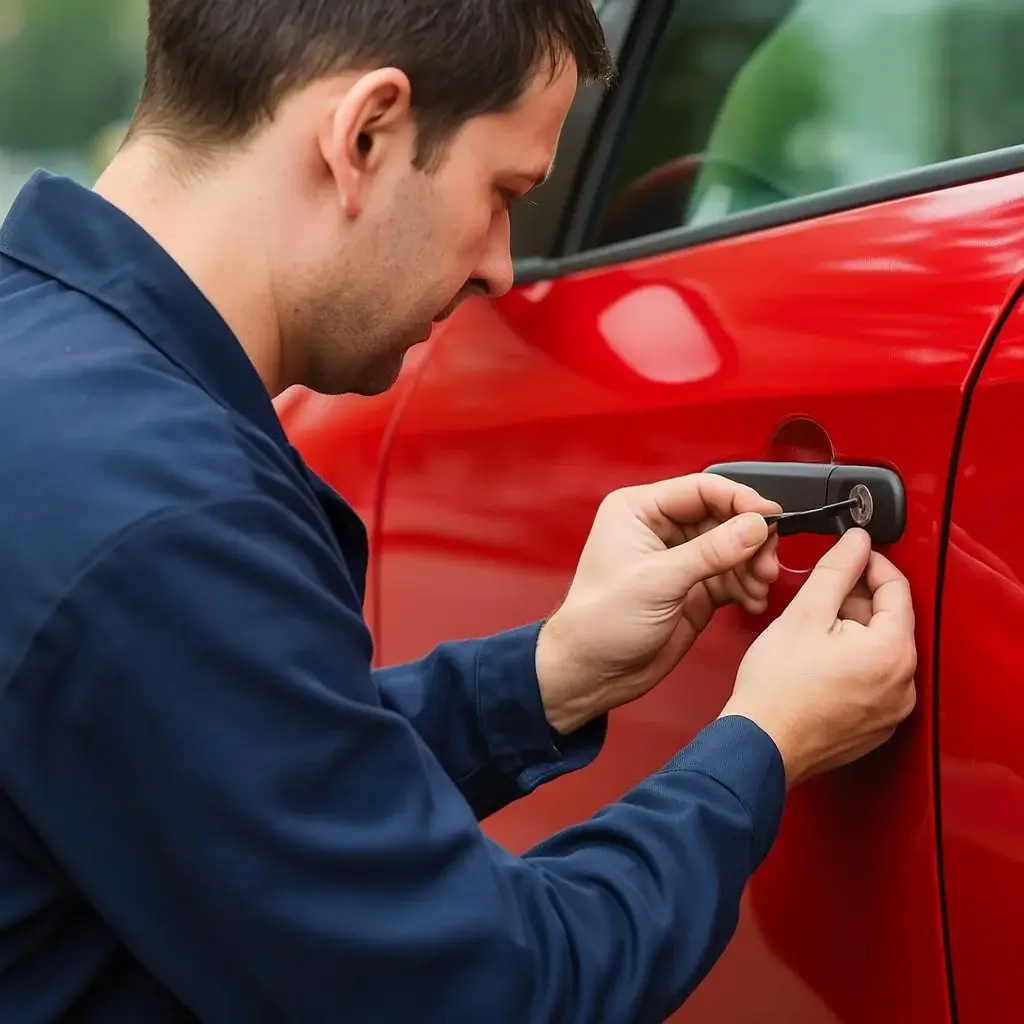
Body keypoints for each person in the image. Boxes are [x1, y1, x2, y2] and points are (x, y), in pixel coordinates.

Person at [0, 1, 916, 1021]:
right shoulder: (160, 518)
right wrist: (764, 743)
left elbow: (232, 785)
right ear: (365, 135)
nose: (499, 266)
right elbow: (495, 993)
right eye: (502, 193)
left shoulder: (49, 386)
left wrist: (550, 676)